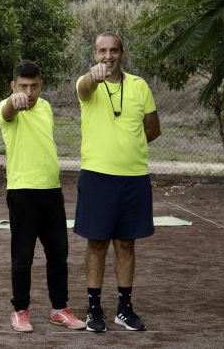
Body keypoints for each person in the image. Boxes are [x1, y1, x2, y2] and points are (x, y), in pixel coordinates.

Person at [74, 32, 161, 333]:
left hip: (134, 178)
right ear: (94, 54)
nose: (108, 56)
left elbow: (152, 129)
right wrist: (93, 76)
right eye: (102, 51)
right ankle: (93, 308)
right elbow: (84, 88)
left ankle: (124, 309)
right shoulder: (87, 84)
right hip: (97, 177)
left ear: (122, 54)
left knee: (126, 243)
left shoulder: (139, 86)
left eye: (113, 51)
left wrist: (128, 146)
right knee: (96, 243)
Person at [0, 60, 87, 333]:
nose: (29, 92)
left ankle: (59, 309)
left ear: (41, 85)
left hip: (51, 191)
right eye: (23, 86)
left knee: (58, 254)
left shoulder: (45, 107)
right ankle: (20, 311)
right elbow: (9, 110)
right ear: (13, 86)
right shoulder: (6, 108)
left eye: (34, 86)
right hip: (22, 192)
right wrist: (13, 101)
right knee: (22, 256)